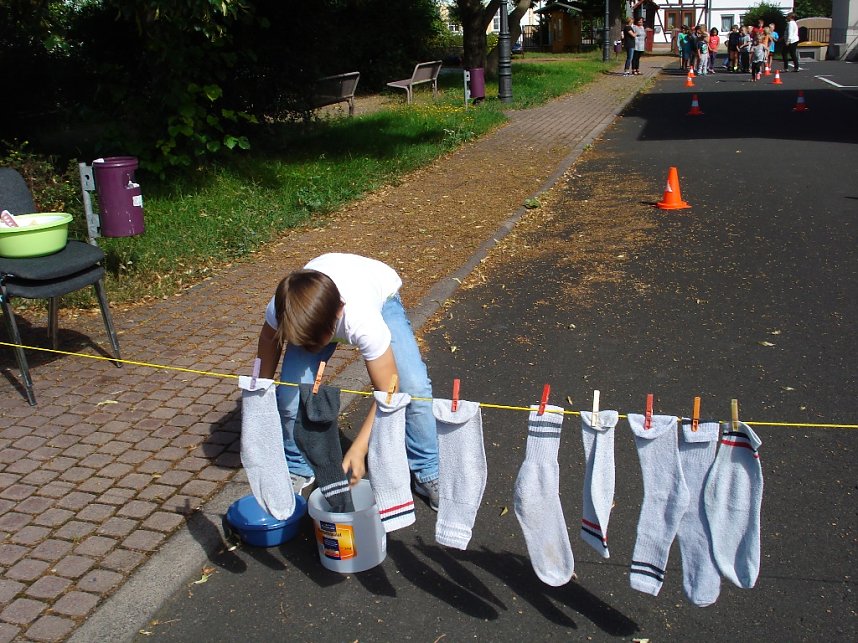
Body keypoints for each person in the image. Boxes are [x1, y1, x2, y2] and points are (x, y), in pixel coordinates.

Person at [256, 253, 441, 509]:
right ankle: (297, 466)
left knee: (414, 387)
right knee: (290, 396)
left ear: (338, 314)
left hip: (377, 287)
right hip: (321, 296)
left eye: (314, 343)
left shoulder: (363, 321)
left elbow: (389, 389)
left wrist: (359, 449)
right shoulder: (285, 307)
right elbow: (268, 341)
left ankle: (428, 468)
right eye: (302, 342)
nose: (309, 349)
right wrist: (259, 384)